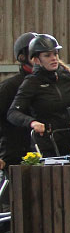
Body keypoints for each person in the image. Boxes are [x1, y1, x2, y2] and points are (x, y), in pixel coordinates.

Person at [7, 34, 70, 157]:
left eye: (55, 54)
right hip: (47, 144)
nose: (54, 58)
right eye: (47, 55)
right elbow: (13, 113)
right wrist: (32, 122)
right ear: (36, 60)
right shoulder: (31, 83)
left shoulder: (67, 78)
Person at [0, 32, 38, 169]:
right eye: (35, 52)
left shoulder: (60, 82)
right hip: (15, 159)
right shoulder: (9, 87)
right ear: (23, 57)